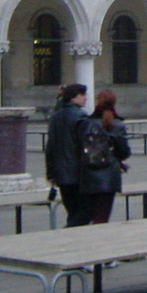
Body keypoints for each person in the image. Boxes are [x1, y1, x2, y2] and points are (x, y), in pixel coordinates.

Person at [78, 89, 131, 223]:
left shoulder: (86, 123)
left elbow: (78, 147)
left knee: (87, 214)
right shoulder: (117, 125)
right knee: (102, 216)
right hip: (108, 175)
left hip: (87, 174)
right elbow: (124, 152)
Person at [45, 82, 91, 226]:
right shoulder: (81, 116)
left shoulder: (55, 117)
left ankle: (73, 240)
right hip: (79, 173)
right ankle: (66, 237)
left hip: (61, 173)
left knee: (72, 210)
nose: (86, 98)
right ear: (73, 97)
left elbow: (50, 146)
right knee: (85, 212)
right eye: (82, 95)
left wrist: (51, 173)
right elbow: (87, 145)